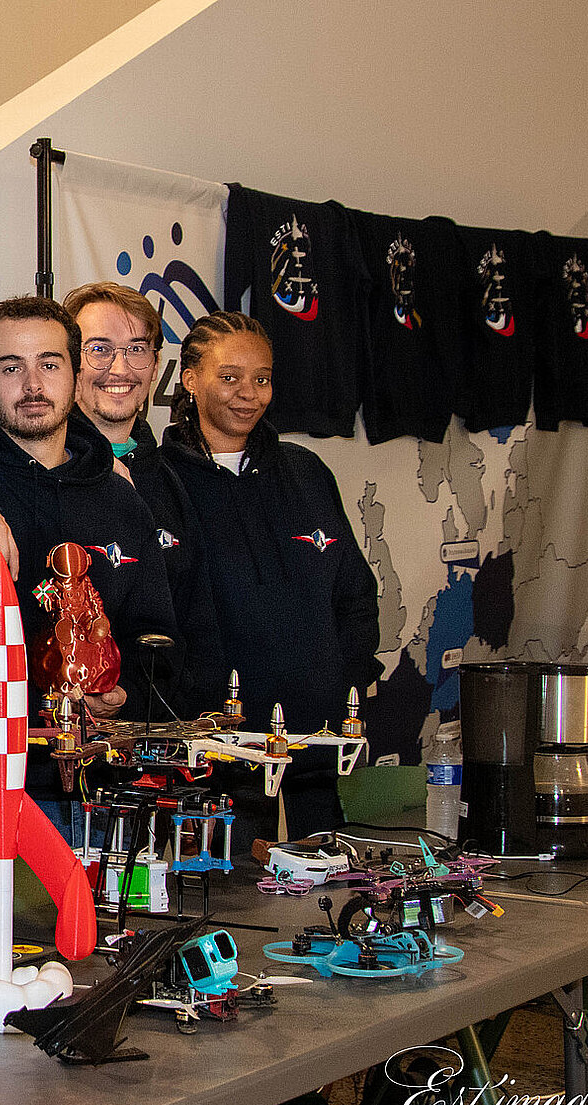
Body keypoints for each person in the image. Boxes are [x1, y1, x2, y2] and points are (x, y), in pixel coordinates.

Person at [0, 296, 177, 842]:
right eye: (10, 367)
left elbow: (157, 639)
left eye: (49, 363)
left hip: (100, 793)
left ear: (75, 374)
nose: (32, 385)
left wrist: (122, 698)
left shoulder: (121, 501)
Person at [160, 311, 383, 841]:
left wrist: (343, 679)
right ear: (190, 380)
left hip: (315, 744)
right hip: (215, 755)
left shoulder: (306, 472)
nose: (249, 394)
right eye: (229, 377)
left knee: (323, 878)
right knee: (227, 883)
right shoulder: (153, 480)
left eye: (262, 379)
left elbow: (354, 593)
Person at [63, 281, 225, 713]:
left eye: (136, 349)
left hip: (161, 731)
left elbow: (197, 622)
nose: (119, 369)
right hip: (58, 732)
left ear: (155, 367)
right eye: (99, 349)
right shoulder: (42, 468)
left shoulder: (172, 478)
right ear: (66, 362)